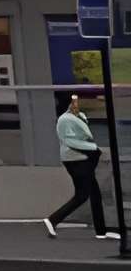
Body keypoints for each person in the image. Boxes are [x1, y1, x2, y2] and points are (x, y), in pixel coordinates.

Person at [46, 90, 115, 237]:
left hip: (81, 158)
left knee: (94, 194)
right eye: (74, 101)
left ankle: (101, 231)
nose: (77, 103)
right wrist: (93, 149)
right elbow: (69, 141)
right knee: (83, 194)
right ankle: (53, 219)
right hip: (75, 160)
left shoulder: (75, 117)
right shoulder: (64, 120)